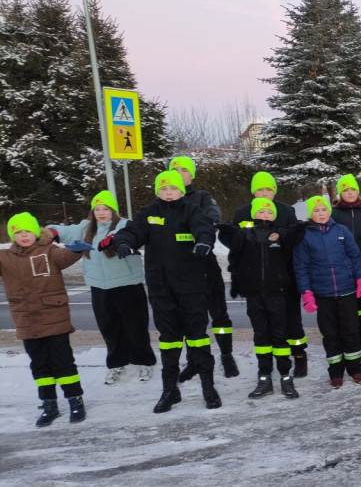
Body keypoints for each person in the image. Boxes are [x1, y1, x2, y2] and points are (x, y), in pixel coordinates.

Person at [102, 170, 221, 412]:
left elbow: (204, 228)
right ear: (157, 191)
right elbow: (133, 231)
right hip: (161, 289)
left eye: (174, 189)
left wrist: (203, 242)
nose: (169, 193)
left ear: (181, 190)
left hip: (191, 287)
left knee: (198, 337)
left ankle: (208, 387)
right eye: (164, 189)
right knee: (168, 341)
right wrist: (124, 243)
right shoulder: (149, 212)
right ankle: (170, 391)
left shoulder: (191, 210)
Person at [47, 190, 156, 384]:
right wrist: (52, 232)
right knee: (109, 328)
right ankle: (116, 364)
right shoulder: (86, 228)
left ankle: (144, 362)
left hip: (127, 285)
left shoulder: (124, 225)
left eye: (105, 208)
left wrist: (115, 240)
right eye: (97, 209)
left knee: (135, 327)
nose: (101, 212)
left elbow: (127, 235)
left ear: (113, 210)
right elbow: (65, 231)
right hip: (99, 287)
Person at [1, 212, 91, 426]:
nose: (24, 236)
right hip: (26, 321)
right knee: (39, 365)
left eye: (28, 231)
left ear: (36, 232)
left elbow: (65, 257)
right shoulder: (5, 257)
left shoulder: (49, 251)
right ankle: (49, 404)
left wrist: (77, 249)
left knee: (63, 363)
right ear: (13, 235)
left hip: (54, 317)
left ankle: (75, 401)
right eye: (19, 232)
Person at [217, 198, 305, 400]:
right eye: (261, 212)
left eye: (268, 213)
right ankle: (264, 376)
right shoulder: (245, 234)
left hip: (277, 294)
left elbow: (293, 238)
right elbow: (231, 241)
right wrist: (225, 230)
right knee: (261, 336)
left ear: (273, 216)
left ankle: (285, 375)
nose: (264, 216)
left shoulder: (279, 235)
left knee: (280, 335)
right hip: (254, 295)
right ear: (253, 214)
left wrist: (300, 228)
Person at [229, 171, 307, 377]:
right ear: (253, 192)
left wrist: (295, 276)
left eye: (268, 189)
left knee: (292, 320)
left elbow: (293, 243)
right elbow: (236, 248)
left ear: (274, 191)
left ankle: (299, 356)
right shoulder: (242, 213)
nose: (264, 194)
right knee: (263, 325)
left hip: (284, 276)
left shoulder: (286, 211)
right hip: (256, 279)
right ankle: (267, 365)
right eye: (260, 189)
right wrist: (237, 277)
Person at [169, 156, 238, 380]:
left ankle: (226, 356)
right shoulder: (165, 199)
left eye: (184, 170)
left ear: (192, 175)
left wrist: (196, 230)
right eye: (175, 169)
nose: (179, 173)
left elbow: (212, 216)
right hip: (179, 270)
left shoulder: (202, 198)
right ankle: (193, 361)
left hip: (205, 264)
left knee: (218, 314)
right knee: (190, 318)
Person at [293, 195, 361, 388]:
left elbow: (355, 257)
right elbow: (301, 266)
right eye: (316, 210)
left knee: (351, 332)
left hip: (347, 291)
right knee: (330, 335)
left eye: (323, 209)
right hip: (323, 294)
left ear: (329, 211)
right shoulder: (305, 235)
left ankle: (355, 369)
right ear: (310, 214)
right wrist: (306, 293)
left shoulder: (341, 231)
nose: (321, 213)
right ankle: (336, 372)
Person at [331, 174, 361, 363]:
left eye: (352, 189)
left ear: (357, 192)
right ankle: (346, 346)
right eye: (345, 190)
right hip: (341, 273)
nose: (350, 193)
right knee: (343, 312)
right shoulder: (334, 215)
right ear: (340, 193)